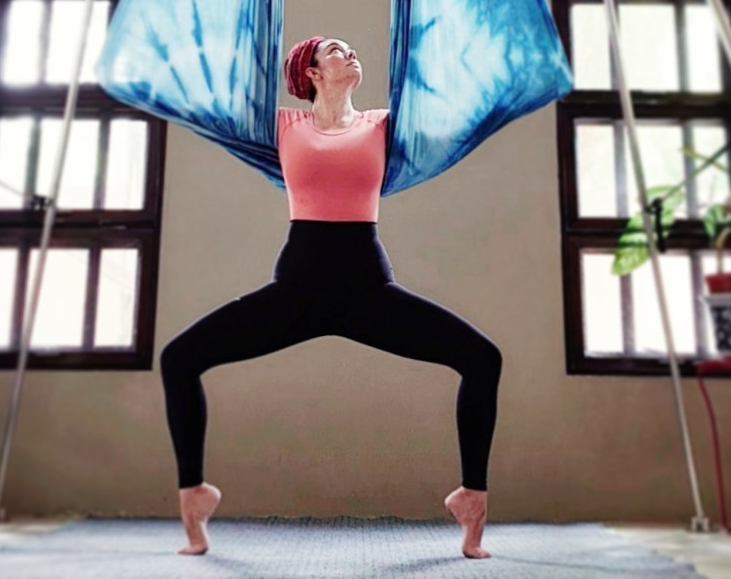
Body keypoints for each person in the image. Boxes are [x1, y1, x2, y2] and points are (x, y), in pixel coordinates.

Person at [159, 36, 502, 559]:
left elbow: (452, 101)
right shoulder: (282, 125)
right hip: (296, 288)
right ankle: (195, 495)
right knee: (178, 358)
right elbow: (211, 95)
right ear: (313, 72)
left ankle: (470, 499)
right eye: (337, 49)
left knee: (483, 358)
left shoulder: (384, 125)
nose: (352, 53)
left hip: (367, 287)